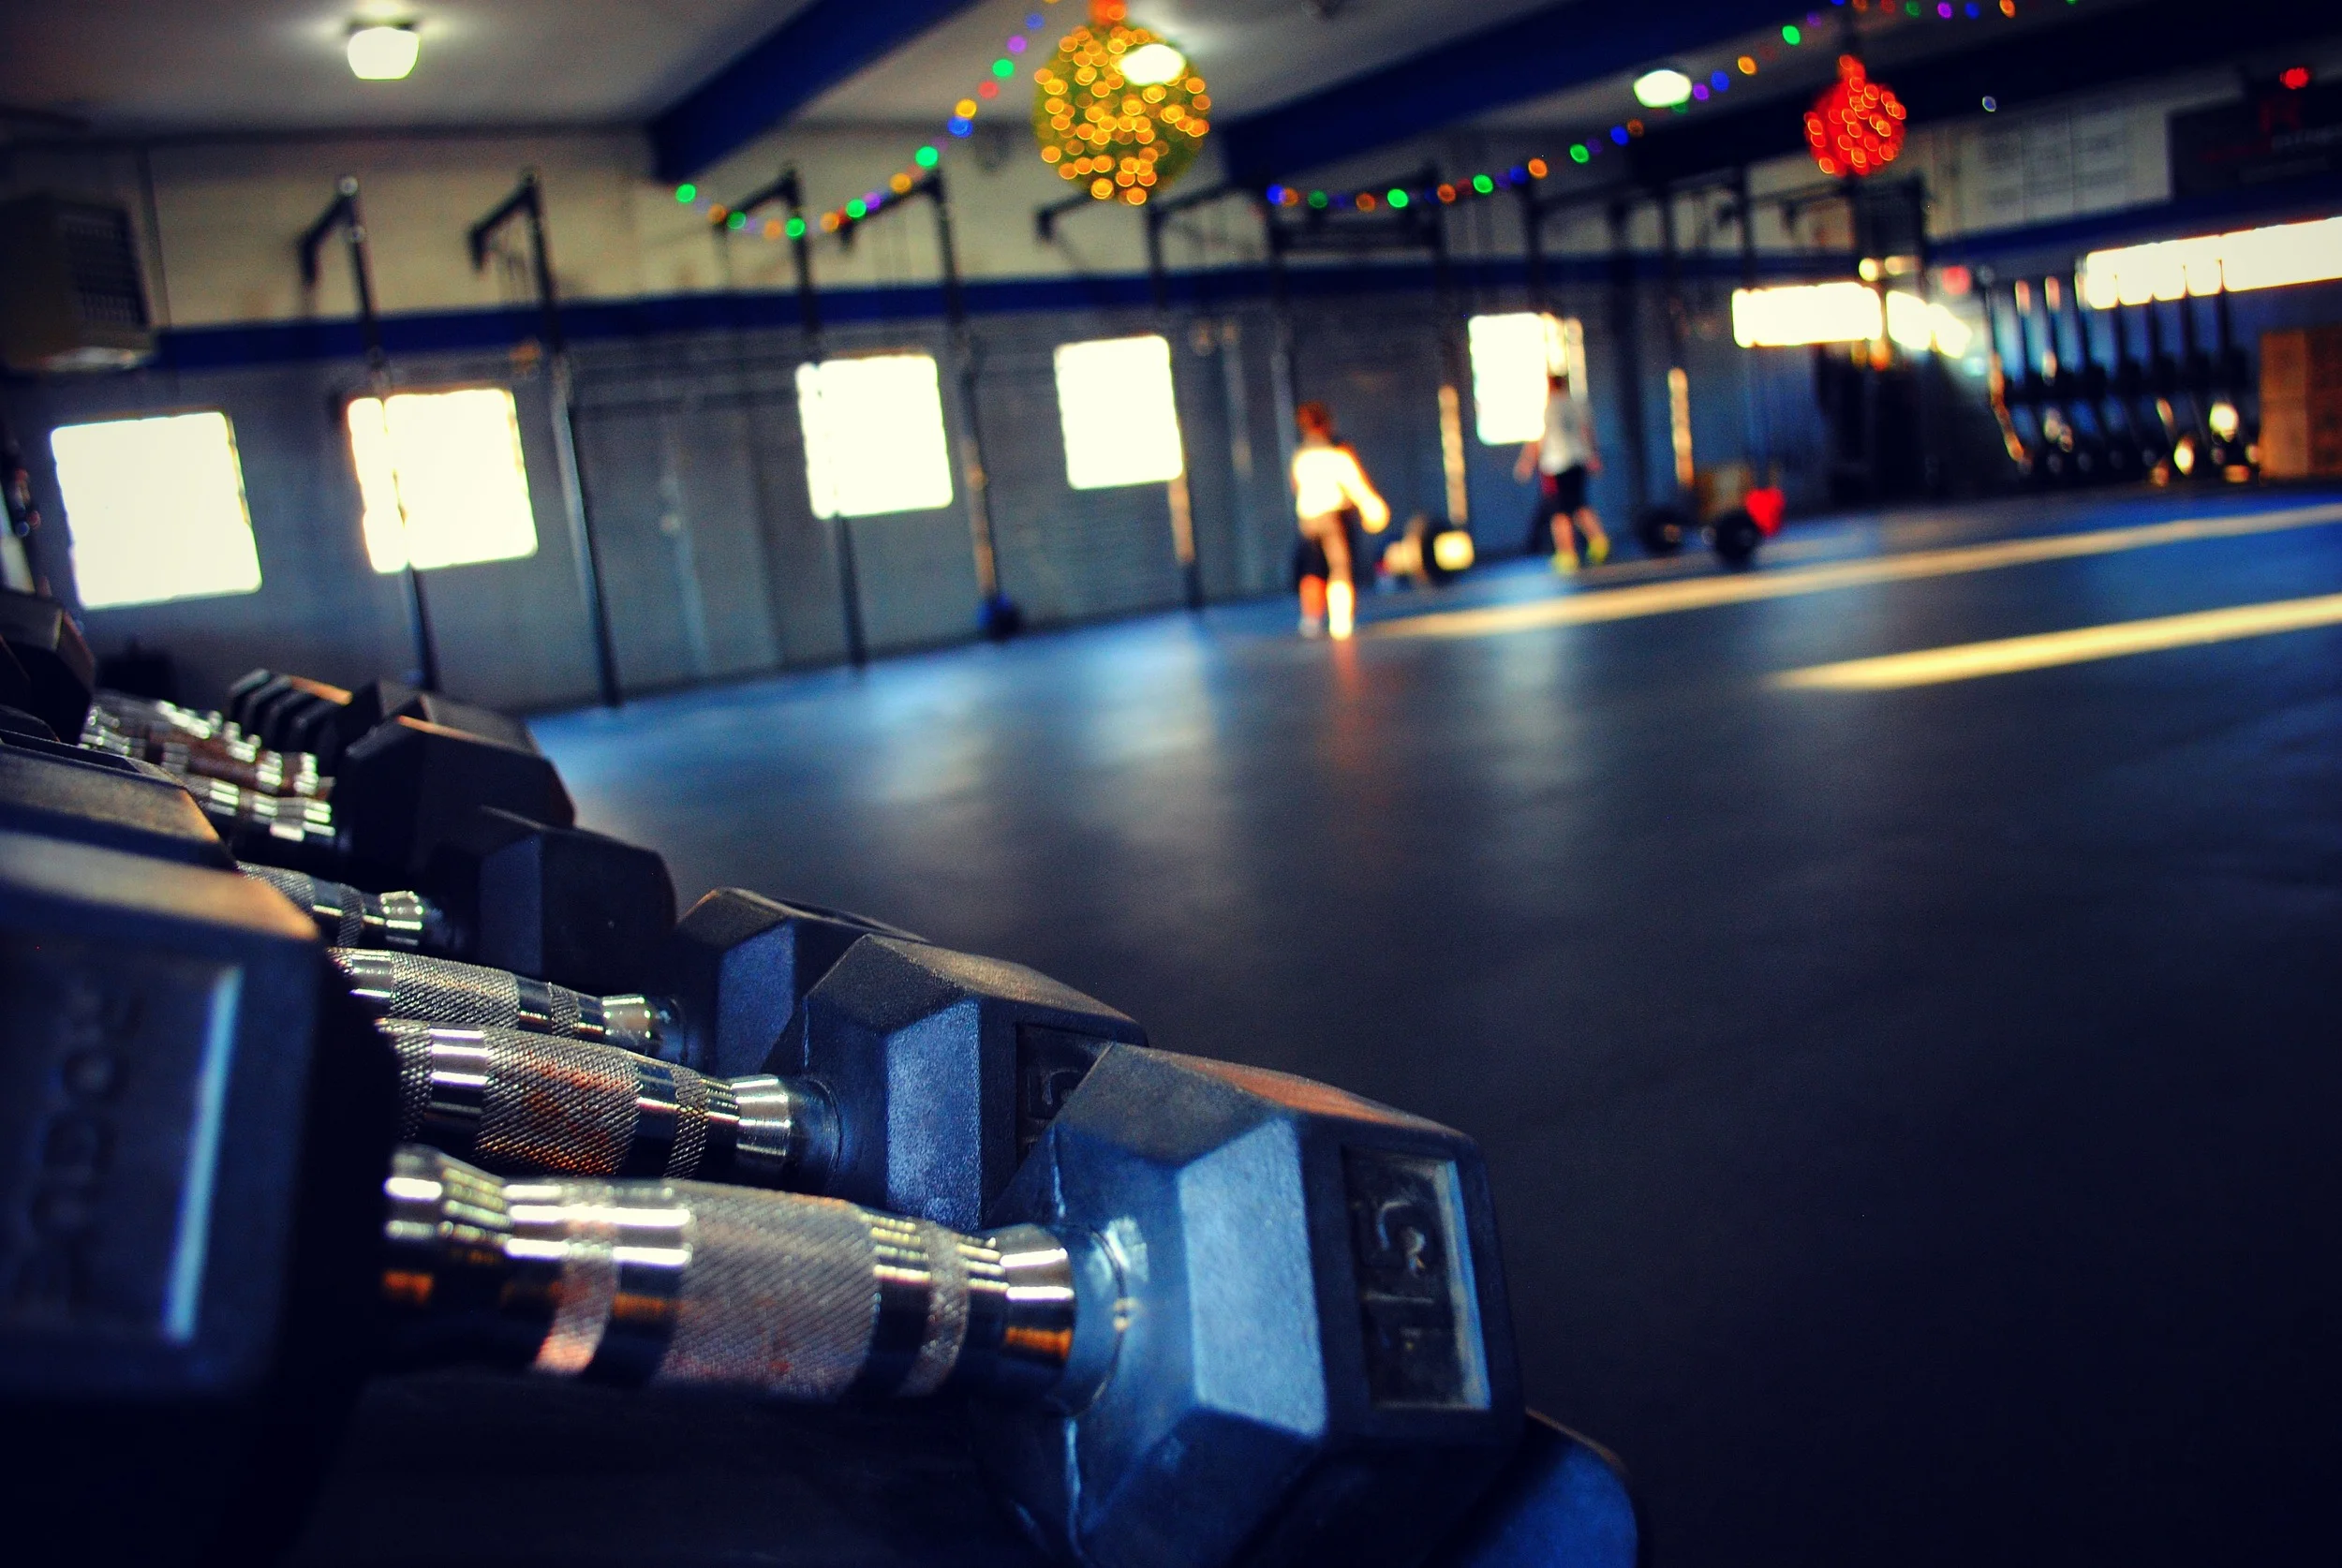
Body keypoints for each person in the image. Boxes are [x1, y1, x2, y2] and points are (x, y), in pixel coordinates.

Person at [1289, 401, 1388, 638]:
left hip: (1308, 518)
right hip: (1333, 518)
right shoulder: (1337, 451)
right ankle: (1340, 620)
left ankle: (1311, 619)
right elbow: (1353, 482)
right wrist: (1370, 505)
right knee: (1339, 567)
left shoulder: (1300, 454)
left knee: (1312, 569)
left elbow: (1296, 486)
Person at [1516, 370, 1610, 574]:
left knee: (1559, 511)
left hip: (1555, 464)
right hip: (1578, 460)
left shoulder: (1546, 408)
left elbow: (1538, 439)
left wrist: (1527, 463)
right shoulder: (1577, 404)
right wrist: (1594, 456)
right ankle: (1599, 542)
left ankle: (1567, 553)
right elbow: (1587, 431)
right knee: (1579, 503)